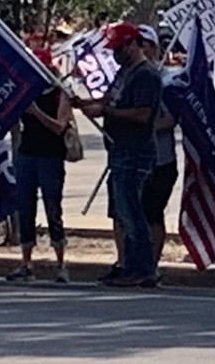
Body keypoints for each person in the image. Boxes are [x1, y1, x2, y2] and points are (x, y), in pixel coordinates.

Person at [77, 22, 163, 287]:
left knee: (132, 211)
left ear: (133, 43)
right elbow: (109, 100)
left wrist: (106, 113)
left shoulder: (146, 75)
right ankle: (131, 266)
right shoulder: (124, 72)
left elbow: (143, 114)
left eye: (120, 47)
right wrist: (84, 104)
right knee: (124, 212)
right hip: (119, 149)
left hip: (135, 151)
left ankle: (142, 269)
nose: (116, 53)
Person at [7, 49, 71, 284]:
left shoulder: (59, 93)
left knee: (53, 207)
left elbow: (60, 126)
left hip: (50, 156)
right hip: (27, 154)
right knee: (25, 207)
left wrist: (36, 111)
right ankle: (26, 263)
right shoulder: (25, 90)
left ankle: (61, 263)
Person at [138, 25, 179, 272]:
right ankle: (134, 262)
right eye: (136, 43)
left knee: (153, 212)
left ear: (154, 48)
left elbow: (170, 119)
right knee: (135, 212)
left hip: (161, 160)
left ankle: (151, 265)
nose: (140, 48)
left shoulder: (167, 80)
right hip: (135, 159)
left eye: (145, 44)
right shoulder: (129, 76)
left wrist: (141, 125)